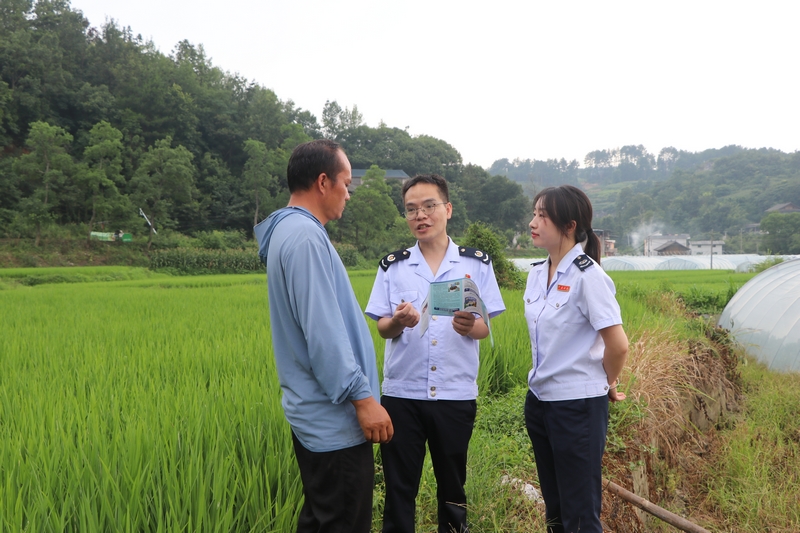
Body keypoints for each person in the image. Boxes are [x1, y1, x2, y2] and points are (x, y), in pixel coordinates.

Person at [254, 139, 393, 533]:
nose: (348, 194)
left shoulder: (287, 230)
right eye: (346, 184)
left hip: (314, 416)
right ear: (322, 182)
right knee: (343, 522)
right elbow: (323, 333)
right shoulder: (305, 237)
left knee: (322, 520)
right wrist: (363, 399)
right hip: (335, 422)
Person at [365, 174, 506, 533]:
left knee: (453, 486)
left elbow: (485, 327)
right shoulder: (393, 265)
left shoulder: (476, 264)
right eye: (411, 209)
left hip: (454, 393)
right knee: (399, 487)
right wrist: (399, 321)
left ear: (448, 209)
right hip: (402, 394)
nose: (421, 216)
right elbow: (382, 327)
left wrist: (469, 326)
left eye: (429, 206)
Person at [523, 185, 629, 533]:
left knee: (580, 514)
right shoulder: (536, 273)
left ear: (569, 226)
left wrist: (605, 382)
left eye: (542, 216)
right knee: (555, 509)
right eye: (534, 214)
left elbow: (618, 345)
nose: (533, 223)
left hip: (577, 407)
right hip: (540, 402)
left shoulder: (589, 276)